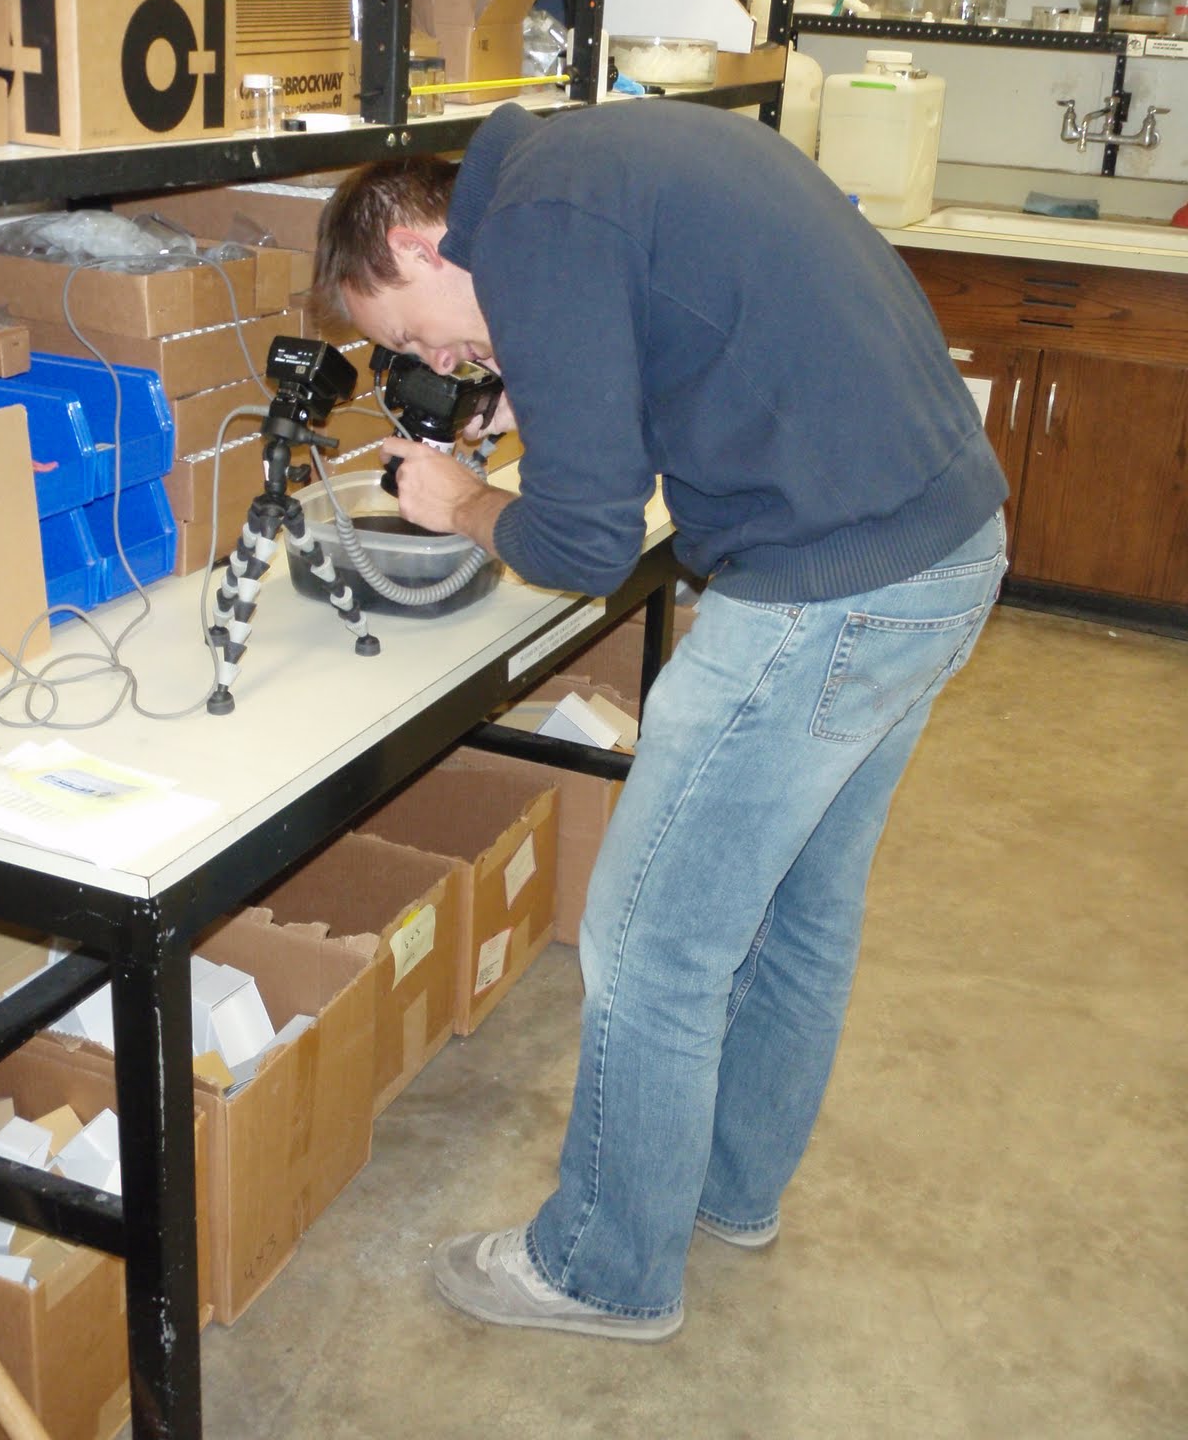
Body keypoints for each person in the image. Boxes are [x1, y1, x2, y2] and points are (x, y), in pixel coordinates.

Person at [313, 100, 1008, 1343]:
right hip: (943, 541)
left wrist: (461, 500)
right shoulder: (586, 164)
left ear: (416, 246)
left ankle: (601, 1265)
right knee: (799, 908)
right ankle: (729, 1191)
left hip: (828, 586)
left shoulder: (532, 231)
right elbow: (677, 342)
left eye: (417, 334)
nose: (453, 361)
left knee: (646, 943)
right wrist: (535, 390)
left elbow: (578, 541)